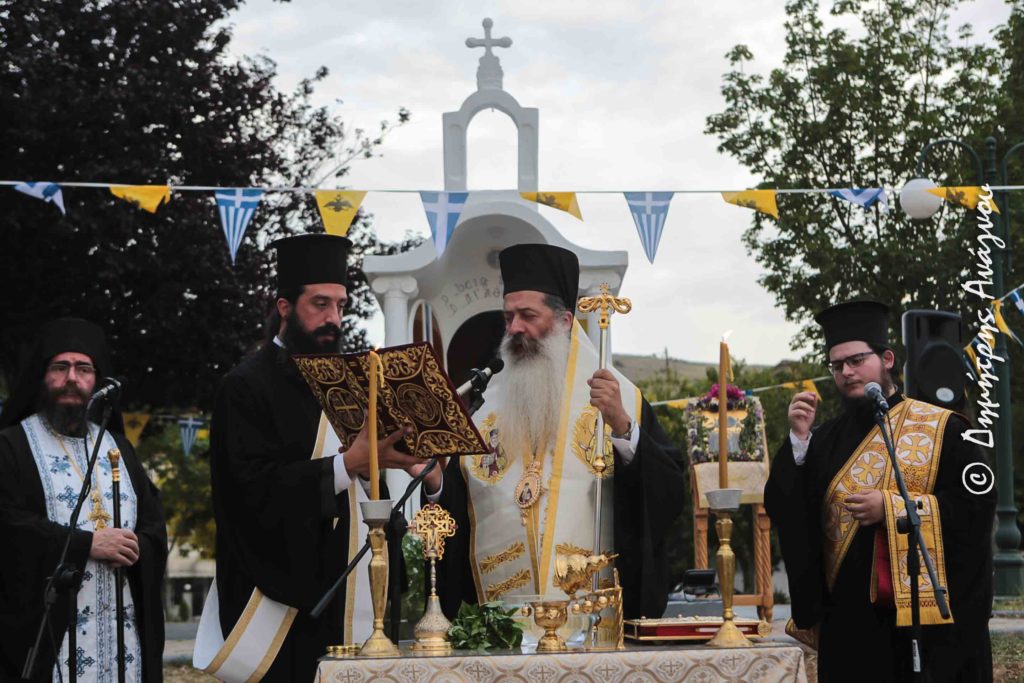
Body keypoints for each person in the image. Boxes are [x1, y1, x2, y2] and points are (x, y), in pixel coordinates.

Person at [198, 234, 439, 683]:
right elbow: (248, 492)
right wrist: (346, 465)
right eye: (320, 304)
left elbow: (374, 492)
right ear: (285, 307)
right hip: (288, 606)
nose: (333, 319)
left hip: (360, 592)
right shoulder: (246, 386)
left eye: (341, 306)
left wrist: (411, 468)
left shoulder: (355, 381)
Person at [431, 243, 686, 620]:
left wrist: (622, 428)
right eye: (509, 316)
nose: (515, 328)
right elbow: (460, 509)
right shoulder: (484, 407)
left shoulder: (621, 399)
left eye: (528, 315)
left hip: (593, 622)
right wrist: (436, 480)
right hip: (504, 625)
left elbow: (668, 497)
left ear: (565, 321)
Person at [765, 301, 996, 682]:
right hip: (851, 630)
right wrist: (797, 441)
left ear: (887, 358)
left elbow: (977, 506)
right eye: (837, 365)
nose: (846, 372)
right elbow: (786, 508)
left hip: (925, 632)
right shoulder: (821, 441)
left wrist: (894, 508)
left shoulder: (943, 429)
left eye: (856, 360)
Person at [0, 318, 167, 682]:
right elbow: (8, 527)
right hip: (49, 644)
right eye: (60, 367)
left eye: (83, 368)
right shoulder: (12, 446)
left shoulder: (118, 447)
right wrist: (86, 544)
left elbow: (155, 525)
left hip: (123, 644)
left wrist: (139, 544)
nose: (71, 378)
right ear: (42, 377)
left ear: (98, 380)